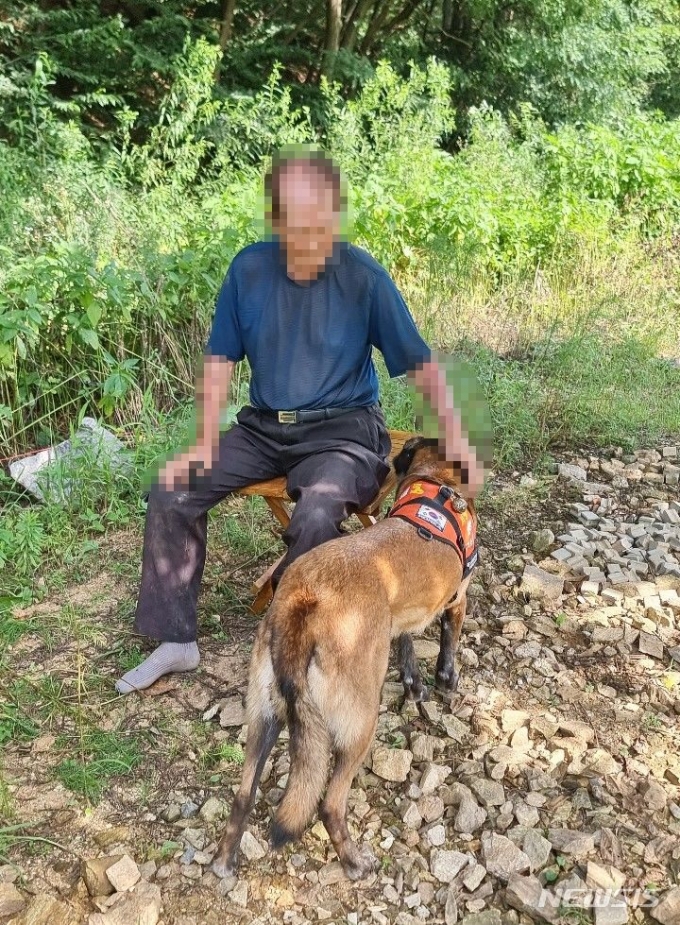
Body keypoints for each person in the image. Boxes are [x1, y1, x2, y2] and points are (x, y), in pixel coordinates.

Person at [116, 147, 484, 695]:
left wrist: (458, 440)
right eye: (294, 225)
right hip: (263, 427)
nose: (308, 240)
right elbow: (219, 363)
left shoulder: (362, 277)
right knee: (172, 488)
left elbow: (420, 365)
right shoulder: (248, 269)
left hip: (345, 432)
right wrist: (200, 438)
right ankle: (177, 641)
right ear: (276, 220)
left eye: (319, 225)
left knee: (316, 512)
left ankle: (298, 639)